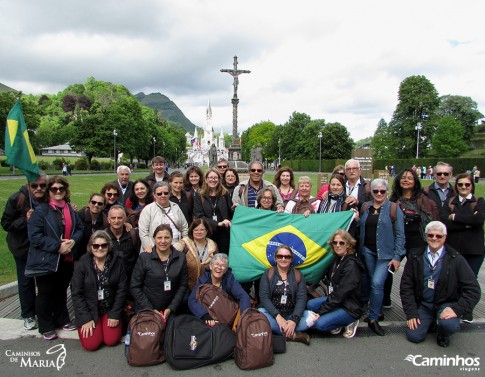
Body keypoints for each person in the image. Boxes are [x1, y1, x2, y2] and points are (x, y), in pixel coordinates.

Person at [400, 221, 481, 347]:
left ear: (445, 237)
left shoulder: (456, 259)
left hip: (446, 304)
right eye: (431, 235)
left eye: (439, 236)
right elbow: (406, 286)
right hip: (424, 304)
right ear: (425, 236)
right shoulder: (415, 256)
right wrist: (411, 312)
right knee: (414, 336)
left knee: (449, 325)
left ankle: (442, 334)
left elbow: (474, 290)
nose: (434, 238)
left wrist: (456, 309)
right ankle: (431, 321)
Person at [26, 176, 84, 340]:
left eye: (61, 189)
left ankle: (62, 319)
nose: (58, 191)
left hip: (66, 259)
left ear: (66, 191)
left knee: (60, 291)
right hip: (47, 259)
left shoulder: (70, 209)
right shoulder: (41, 211)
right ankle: (46, 325)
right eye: (54, 189)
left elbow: (79, 228)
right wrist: (58, 246)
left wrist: (73, 241)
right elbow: (35, 237)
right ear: (49, 192)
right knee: (45, 293)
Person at [1, 172, 48, 331]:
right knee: (26, 282)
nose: (39, 188)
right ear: (28, 185)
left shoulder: (49, 198)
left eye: (42, 185)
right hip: (23, 248)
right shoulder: (18, 199)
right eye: (35, 185)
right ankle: (28, 314)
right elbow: (6, 223)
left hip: (43, 248)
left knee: (43, 282)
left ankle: (44, 312)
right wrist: (25, 220)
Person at [359, 178, 405, 336]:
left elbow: (400, 234)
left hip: (385, 255)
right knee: (372, 283)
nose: (379, 193)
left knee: (377, 283)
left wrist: (397, 256)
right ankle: (377, 312)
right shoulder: (366, 207)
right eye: (375, 191)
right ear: (371, 192)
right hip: (368, 252)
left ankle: (373, 319)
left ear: (387, 192)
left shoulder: (393, 208)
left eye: (382, 191)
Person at [71, 230, 127, 351]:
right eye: (96, 246)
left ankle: (104, 324)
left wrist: (115, 314)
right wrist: (85, 318)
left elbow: (122, 290)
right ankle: (97, 325)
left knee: (111, 340)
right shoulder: (82, 264)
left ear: (109, 246)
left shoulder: (118, 262)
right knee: (91, 345)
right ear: (91, 247)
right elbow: (76, 293)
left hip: (110, 308)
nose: (100, 248)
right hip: (89, 310)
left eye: (104, 245)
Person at [307, 230, 365, 338]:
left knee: (320, 324)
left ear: (348, 245)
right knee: (310, 304)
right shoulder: (337, 259)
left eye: (341, 243)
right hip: (337, 300)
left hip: (349, 306)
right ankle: (335, 321)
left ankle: (351, 321)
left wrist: (321, 312)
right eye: (335, 242)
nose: (338, 245)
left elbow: (340, 294)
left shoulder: (351, 265)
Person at [130, 224, 188, 320]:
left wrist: (171, 308)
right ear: (153, 239)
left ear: (172, 239)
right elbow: (135, 286)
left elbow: (183, 285)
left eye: (167, 237)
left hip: (171, 309)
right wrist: (151, 309)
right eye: (159, 238)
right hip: (146, 308)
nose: (163, 241)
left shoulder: (180, 257)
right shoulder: (144, 258)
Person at [258, 245, 312, 345]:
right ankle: (293, 335)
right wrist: (277, 317)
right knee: (260, 313)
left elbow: (301, 298)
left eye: (287, 257)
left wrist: (294, 320)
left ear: (291, 259)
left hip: (291, 314)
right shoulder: (268, 273)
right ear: (275, 258)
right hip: (272, 315)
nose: (283, 259)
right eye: (280, 256)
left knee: (312, 317)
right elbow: (264, 297)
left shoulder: (298, 275)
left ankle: (282, 331)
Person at [188, 253, 250, 326]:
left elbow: (243, 296)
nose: (219, 267)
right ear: (210, 266)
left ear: (226, 270)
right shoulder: (203, 281)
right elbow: (192, 301)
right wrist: (205, 316)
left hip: (230, 315)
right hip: (211, 317)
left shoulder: (229, 279)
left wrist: (243, 319)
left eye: (223, 265)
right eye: (216, 264)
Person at [445, 173, 485, 279]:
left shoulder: (478, 201)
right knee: (452, 280)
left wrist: (455, 217)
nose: (463, 187)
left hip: (473, 251)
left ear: (472, 186)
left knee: (470, 281)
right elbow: (445, 223)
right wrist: (467, 224)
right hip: (453, 249)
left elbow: (478, 220)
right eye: (460, 184)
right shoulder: (450, 202)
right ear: (456, 186)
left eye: (467, 184)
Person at [138, 181, 188, 252]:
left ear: (169, 194)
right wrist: (150, 247)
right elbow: (143, 232)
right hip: (154, 250)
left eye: (166, 193)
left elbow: (184, 227)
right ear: (154, 195)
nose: (163, 195)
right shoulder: (148, 210)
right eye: (159, 194)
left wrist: (184, 243)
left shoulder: (176, 207)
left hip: (176, 249)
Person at [193, 169, 233, 253]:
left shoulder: (225, 194)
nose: (213, 180)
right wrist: (217, 223)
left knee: (223, 257)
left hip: (223, 234)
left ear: (219, 180)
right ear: (206, 180)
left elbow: (230, 213)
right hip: (207, 232)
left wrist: (236, 208)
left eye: (215, 178)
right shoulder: (199, 195)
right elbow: (199, 216)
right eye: (210, 177)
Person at [105, 205, 140, 284]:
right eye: (113, 218)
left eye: (119, 218)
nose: (116, 221)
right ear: (108, 220)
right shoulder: (103, 237)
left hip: (130, 281)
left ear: (124, 219)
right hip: (110, 281)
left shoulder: (133, 235)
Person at [77, 193, 108, 261]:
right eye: (93, 202)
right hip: (79, 257)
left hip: (96, 257)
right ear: (89, 203)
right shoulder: (79, 216)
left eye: (100, 203)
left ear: (104, 206)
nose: (96, 205)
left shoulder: (105, 220)